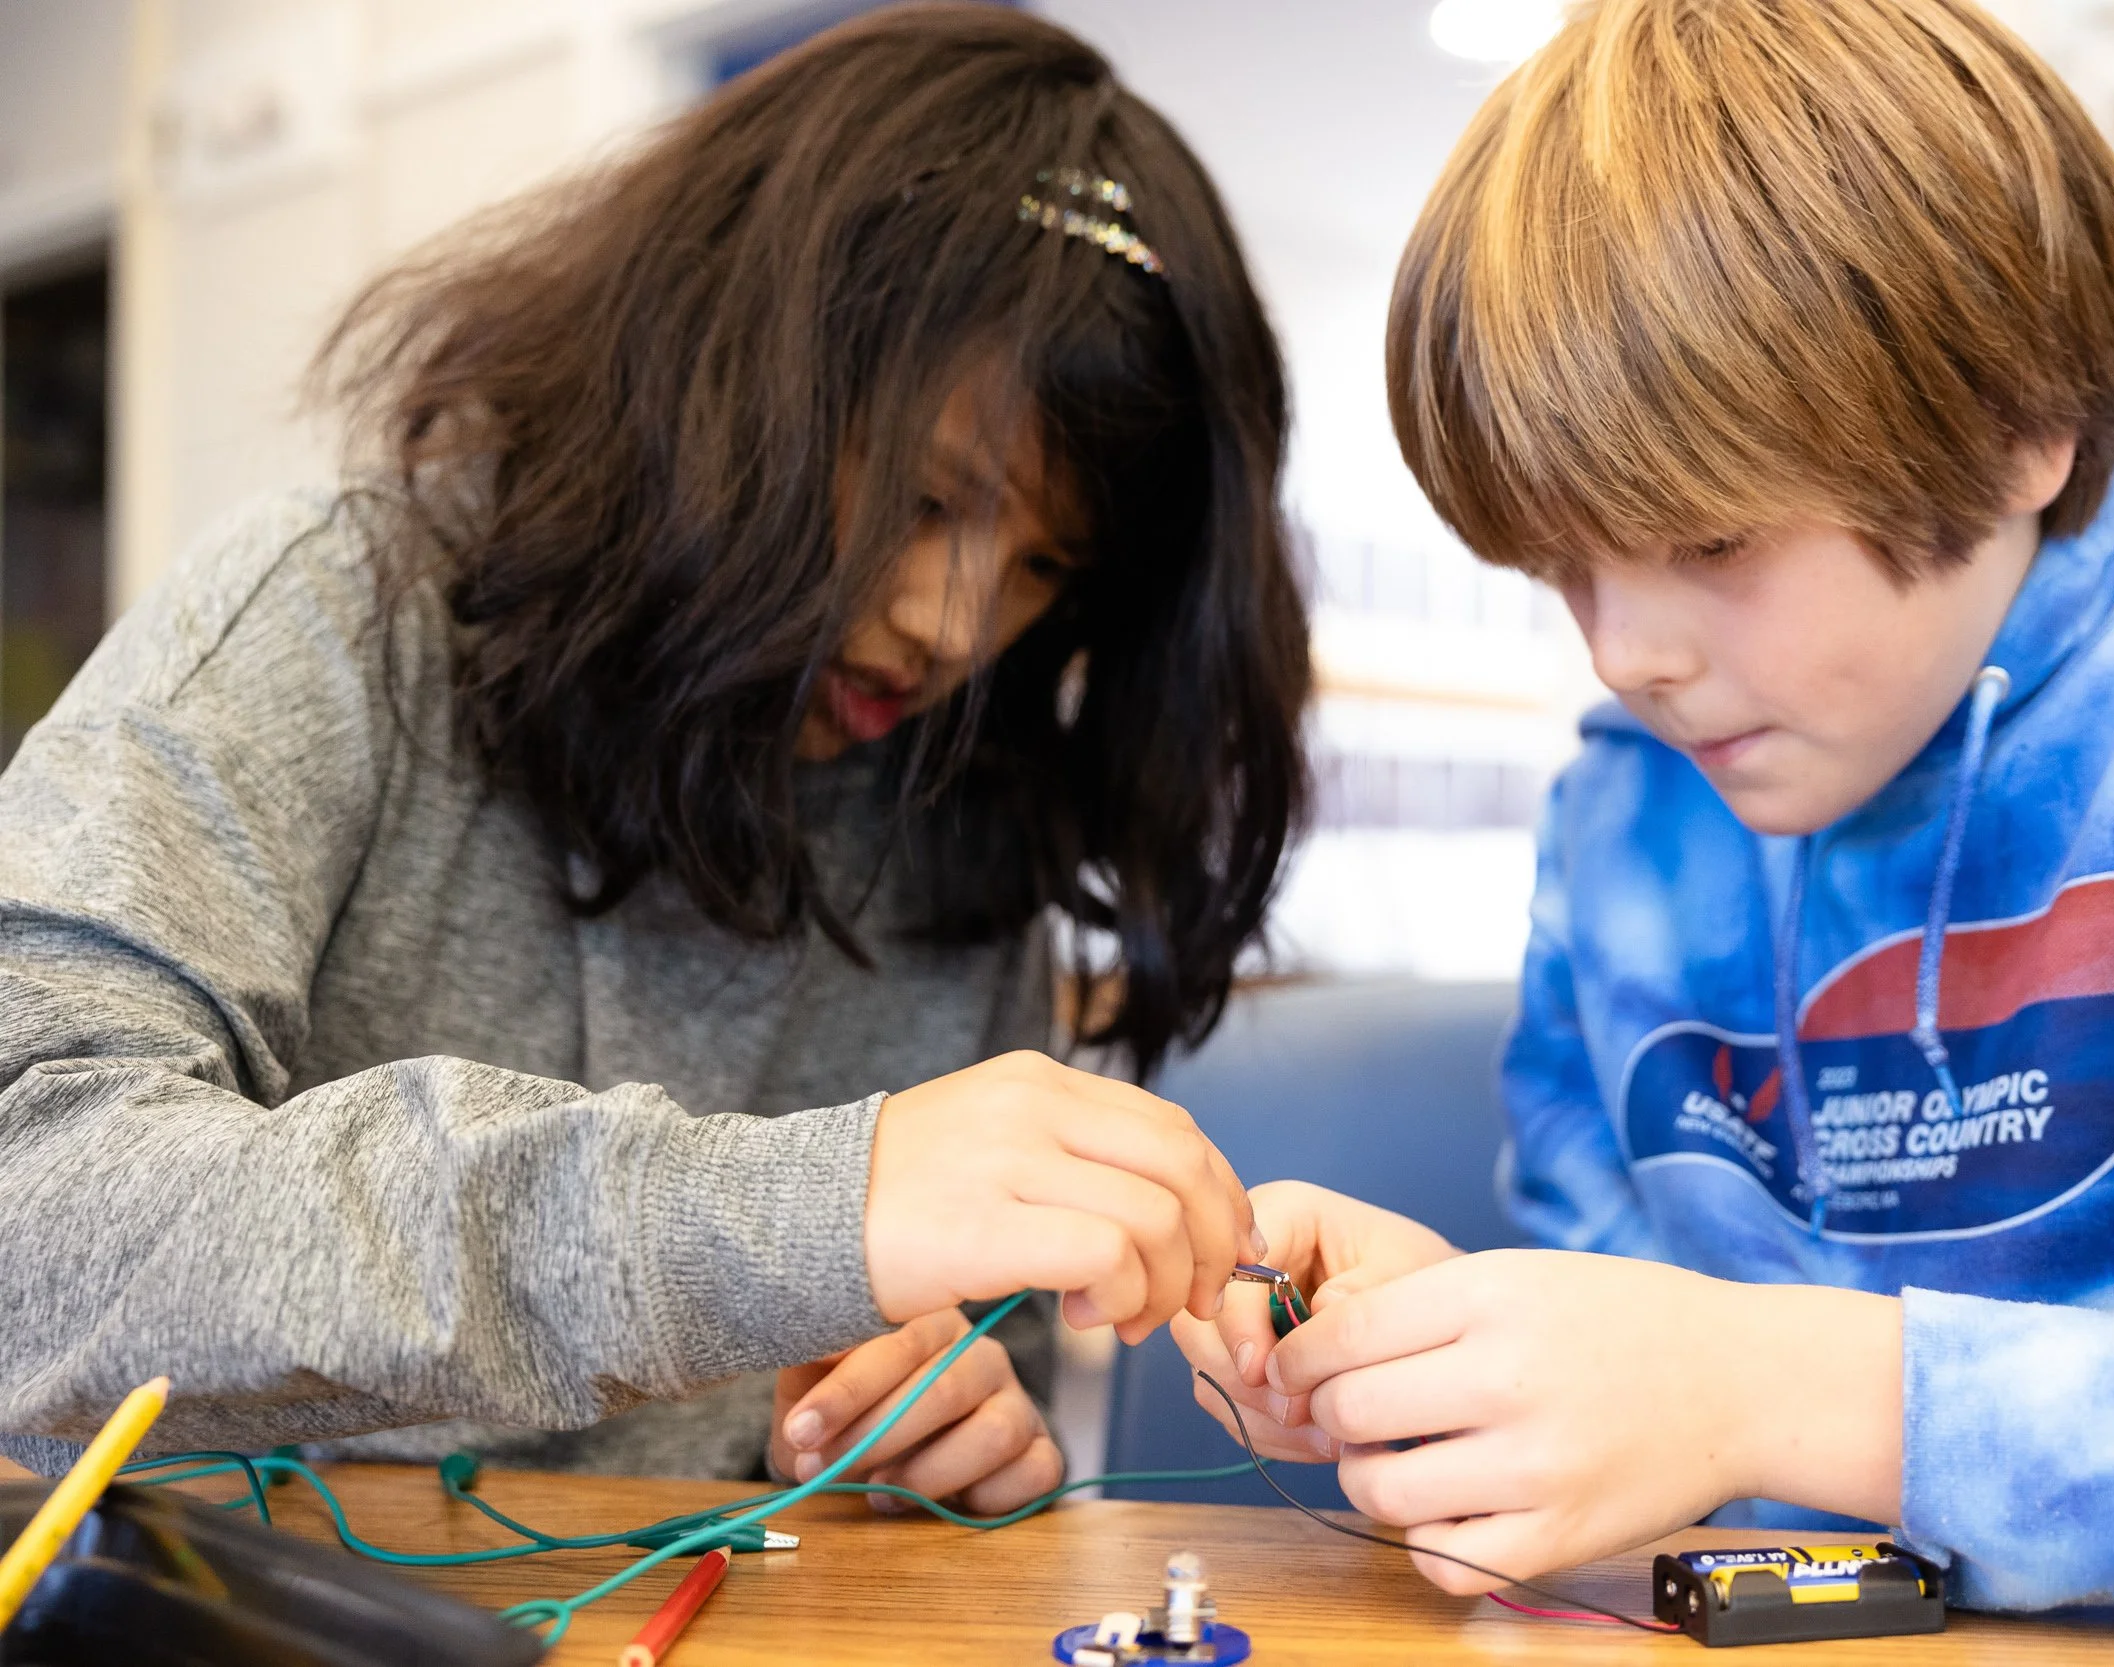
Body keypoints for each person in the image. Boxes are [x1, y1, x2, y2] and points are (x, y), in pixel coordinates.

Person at [1176, 0, 2114, 1649]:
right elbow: (1651, 1415)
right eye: (1563, 566)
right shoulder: (1625, 809)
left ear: (2026, 428)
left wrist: (1773, 1384)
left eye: (1713, 537)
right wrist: (1450, 1362)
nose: (1626, 653)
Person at [0, 3, 1307, 1516]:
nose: (955, 624)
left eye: (1043, 567)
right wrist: (807, 1208)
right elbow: (31, 1224)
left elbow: (892, 1395)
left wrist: (941, 1440)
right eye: (925, 496)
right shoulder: (332, 616)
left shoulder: (955, 812)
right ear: (720, 376)